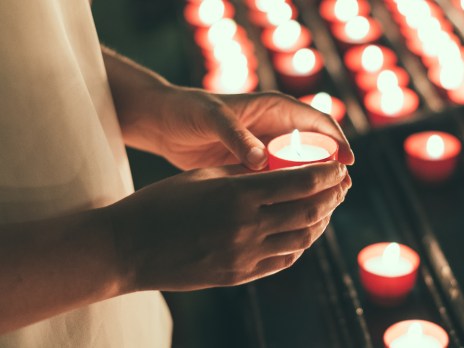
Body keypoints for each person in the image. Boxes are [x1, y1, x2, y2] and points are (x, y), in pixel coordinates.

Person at [0, 0, 354, 346]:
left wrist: (156, 108)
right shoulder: (128, 248)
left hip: (123, 314)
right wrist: (125, 247)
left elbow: (39, 27)